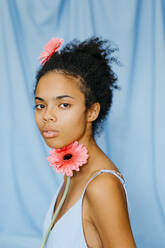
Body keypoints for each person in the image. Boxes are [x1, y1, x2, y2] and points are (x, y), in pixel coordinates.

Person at [34, 37, 137, 247]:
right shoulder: (73, 175)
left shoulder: (102, 186)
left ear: (92, 111)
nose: (48, 116)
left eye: (63, 105)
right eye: (40, 106)